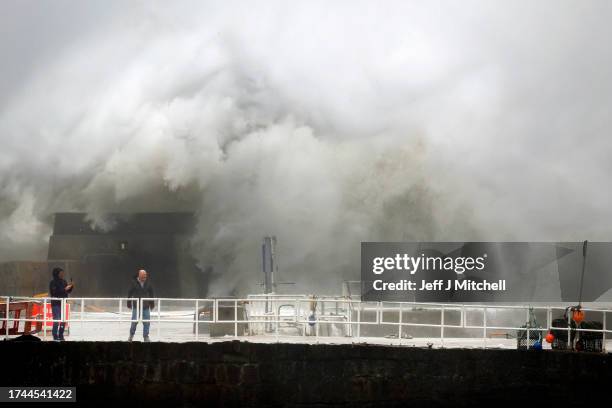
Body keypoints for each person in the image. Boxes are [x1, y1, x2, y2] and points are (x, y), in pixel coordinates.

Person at [127, 269, 155, 342]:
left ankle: (146, 337)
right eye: (143, 276)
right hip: (136, 306)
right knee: (134, 322)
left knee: (147, 322)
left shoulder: (148, 283)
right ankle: (131, 336)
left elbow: (151, 293)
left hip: (146, 306)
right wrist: (129, 303)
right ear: (139, 275)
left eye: (145, 275)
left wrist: (152, 303)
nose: (144, 277)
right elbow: (130, 293)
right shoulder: (133, 283)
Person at [48, 267, 74, 341]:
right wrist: (65, 289)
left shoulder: (64, 281)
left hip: (63, 303)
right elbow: (54, 292)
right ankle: (55, 335)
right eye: (61, 273)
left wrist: (71, 287)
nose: (62, 274)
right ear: (56, 274)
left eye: (63, 273)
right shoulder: (52, 282)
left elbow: (67, 292)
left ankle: (61, 335)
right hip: (56, 304)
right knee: (56, 320)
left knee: (63, 320)